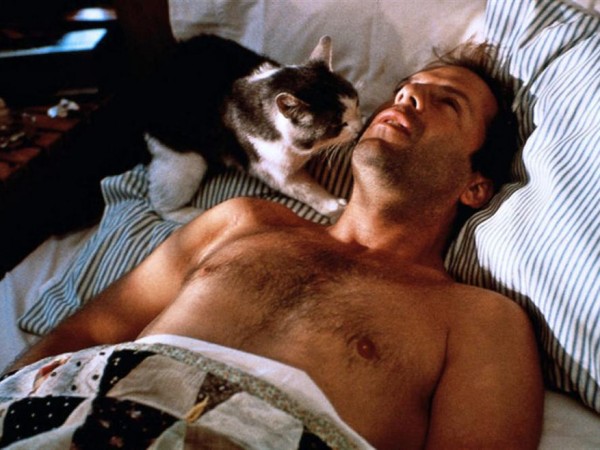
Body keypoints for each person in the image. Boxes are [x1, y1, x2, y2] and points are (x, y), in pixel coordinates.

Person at [4, 43, 543, 449]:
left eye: (447, 103)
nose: (408, 97)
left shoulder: (479, 320)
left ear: (475, 185)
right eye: (405, 89)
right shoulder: (240, 221)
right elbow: (82, 336)